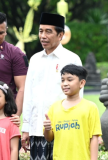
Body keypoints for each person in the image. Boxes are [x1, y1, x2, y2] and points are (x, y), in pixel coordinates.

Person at [21, 13, 83, 160]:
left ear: (60, 35)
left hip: (64, 129)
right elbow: (29, 95)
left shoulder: (72, 59)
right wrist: (26, 128)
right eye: (41, 31)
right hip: (37, 130)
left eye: (48, 31)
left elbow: (79, 97)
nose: (43, 36)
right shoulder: (35, 59)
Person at [43, 64, 102, 160]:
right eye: (62, 80)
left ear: (82, 83)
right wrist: (47, 129)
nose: (65, 83)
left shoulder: (90, 107)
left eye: (69, 80)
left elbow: (94, 138)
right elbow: (49, 138)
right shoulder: (55, 107)